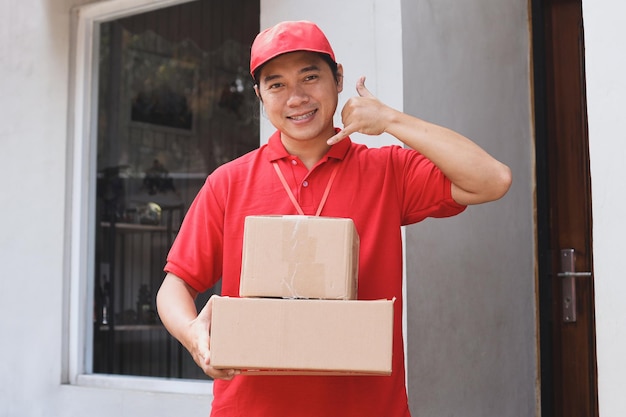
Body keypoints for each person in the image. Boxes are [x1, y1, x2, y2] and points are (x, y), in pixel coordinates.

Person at [156, 20, 512, 417]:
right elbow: (175, 287)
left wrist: (391, 120)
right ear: (259, 95)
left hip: (368, 407)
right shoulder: (229, 182)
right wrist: (194, 337)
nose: (296, 98)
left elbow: (492, 180)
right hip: (252, 407)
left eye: (310, 77)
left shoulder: (387, 171)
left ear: (338, 78)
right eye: (277, 85)